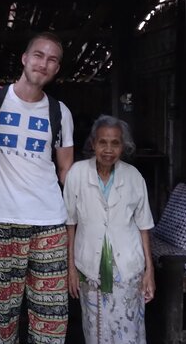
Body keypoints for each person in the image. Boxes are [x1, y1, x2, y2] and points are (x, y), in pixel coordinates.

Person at [0, 32, 74, 344]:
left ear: (56, 69)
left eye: (52, 60)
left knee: (50, 313)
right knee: (5, 311)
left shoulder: (60, 112)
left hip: (50, 221)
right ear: (24, 58)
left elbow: (66, 171)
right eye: (38, 55)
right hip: (5, 218)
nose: (43, 63)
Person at [63, 114, 155, 344]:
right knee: (96, 330)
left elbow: (144, 226)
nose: (108, 149)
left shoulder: (133, 177)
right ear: (93, 143)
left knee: (129, 330)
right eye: (102, 142)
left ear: (123, 146)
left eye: (115, 143)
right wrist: (71, 268)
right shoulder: (77, 173)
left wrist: (149, 271)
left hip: (128, 266)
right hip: (89, 265)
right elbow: (70, 223)